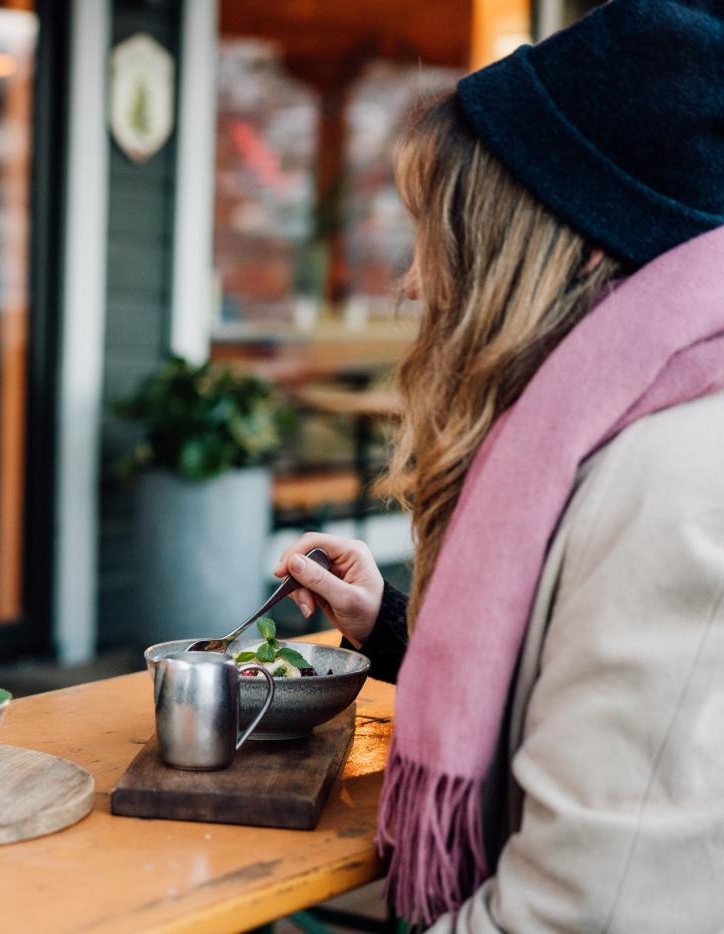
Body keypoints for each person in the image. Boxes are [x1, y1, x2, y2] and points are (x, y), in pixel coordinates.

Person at [272, 2, 724, 929]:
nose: (413, 282)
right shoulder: (626, 429)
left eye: (439, 238)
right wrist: (389, 628)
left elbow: (583, 912)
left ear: (538, 252)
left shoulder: (676, 481)